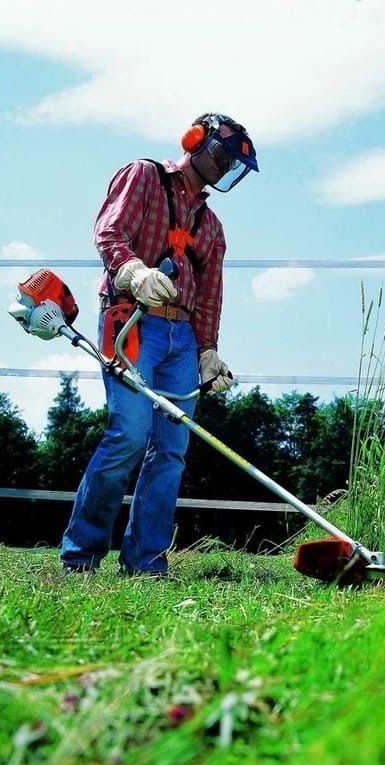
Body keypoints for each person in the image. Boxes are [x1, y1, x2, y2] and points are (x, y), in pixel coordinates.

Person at [60, 113, 259, 576]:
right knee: (129, 434)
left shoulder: (211, 227)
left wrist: (207, 353)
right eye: (221, 154)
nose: (224, 167)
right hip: (131, 321)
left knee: (170, 451)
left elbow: (210, 297)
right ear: (195, 141)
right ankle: (82, 556)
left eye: (233, 165)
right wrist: (134, 272)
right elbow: (108, 232)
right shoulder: (144, 177)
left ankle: (146, 562)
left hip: (182, 339)